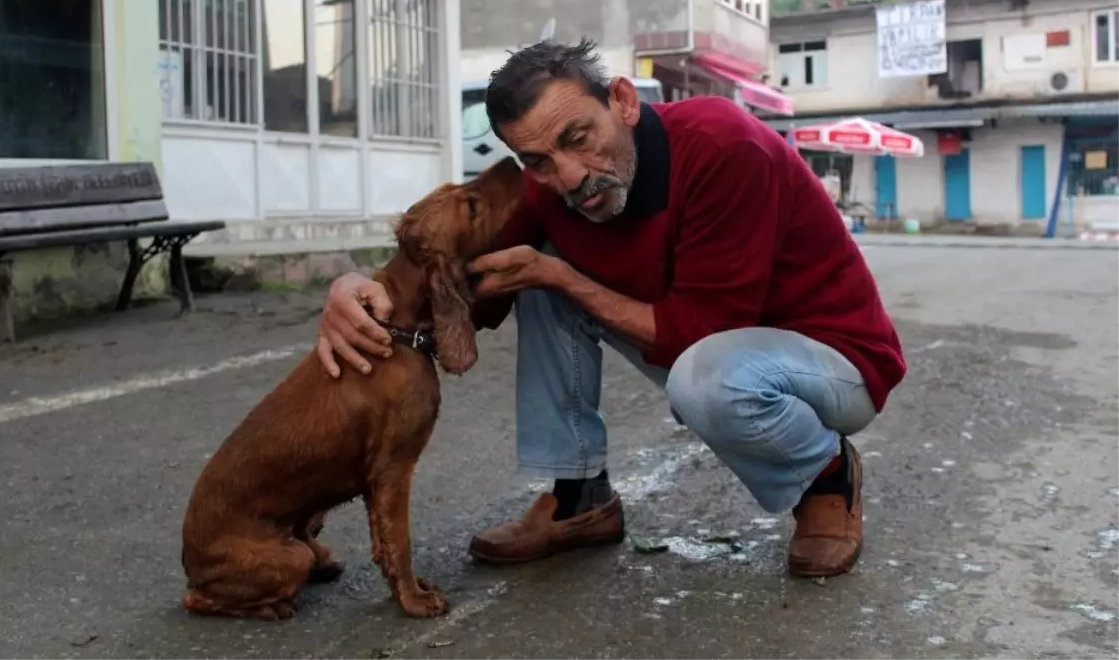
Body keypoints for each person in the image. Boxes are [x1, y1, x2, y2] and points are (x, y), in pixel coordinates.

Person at [314, 39, 906, 579]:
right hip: (712, 346)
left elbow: (703, 334)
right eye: (537, 160)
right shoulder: (552, 189)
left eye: (576, 138)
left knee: (703, 377)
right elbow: (459, 273)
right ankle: (580, 498)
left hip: (832, 363)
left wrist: (564, 277)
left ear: (622, 101)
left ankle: (825, 475)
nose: (568, 176)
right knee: (537, 270)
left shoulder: (724, 146)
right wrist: (357, 287)